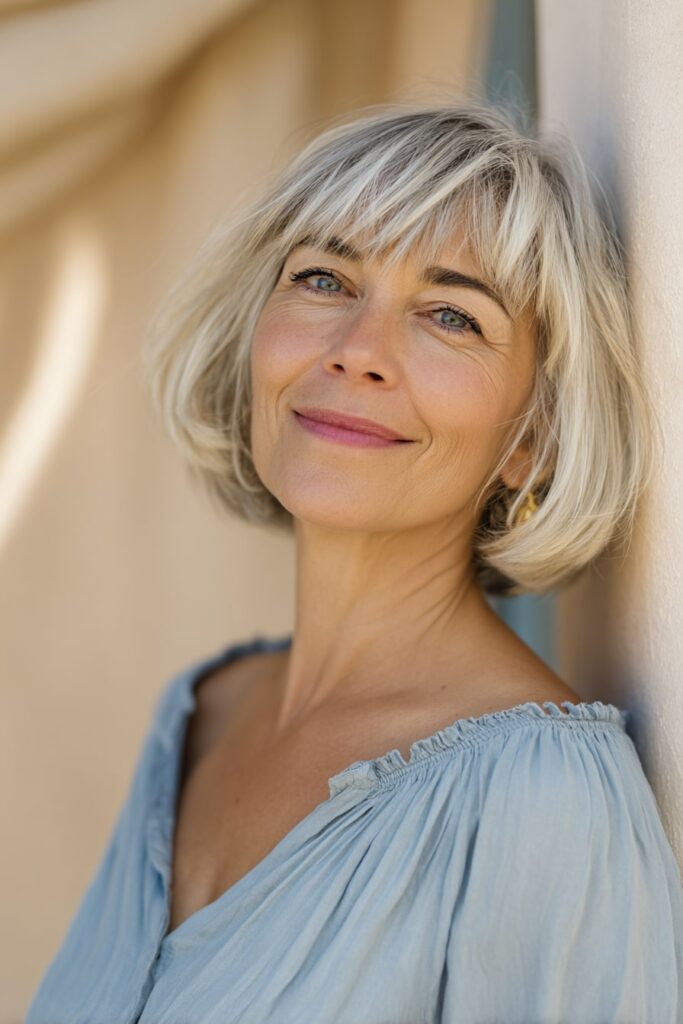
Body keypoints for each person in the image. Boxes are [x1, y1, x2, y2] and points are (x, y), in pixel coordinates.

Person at [27, 100, 683, 1024]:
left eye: (452, 315)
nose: (357, 351)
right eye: (326, 279)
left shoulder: (544, 802)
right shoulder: (199, 714)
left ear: (531, 438)